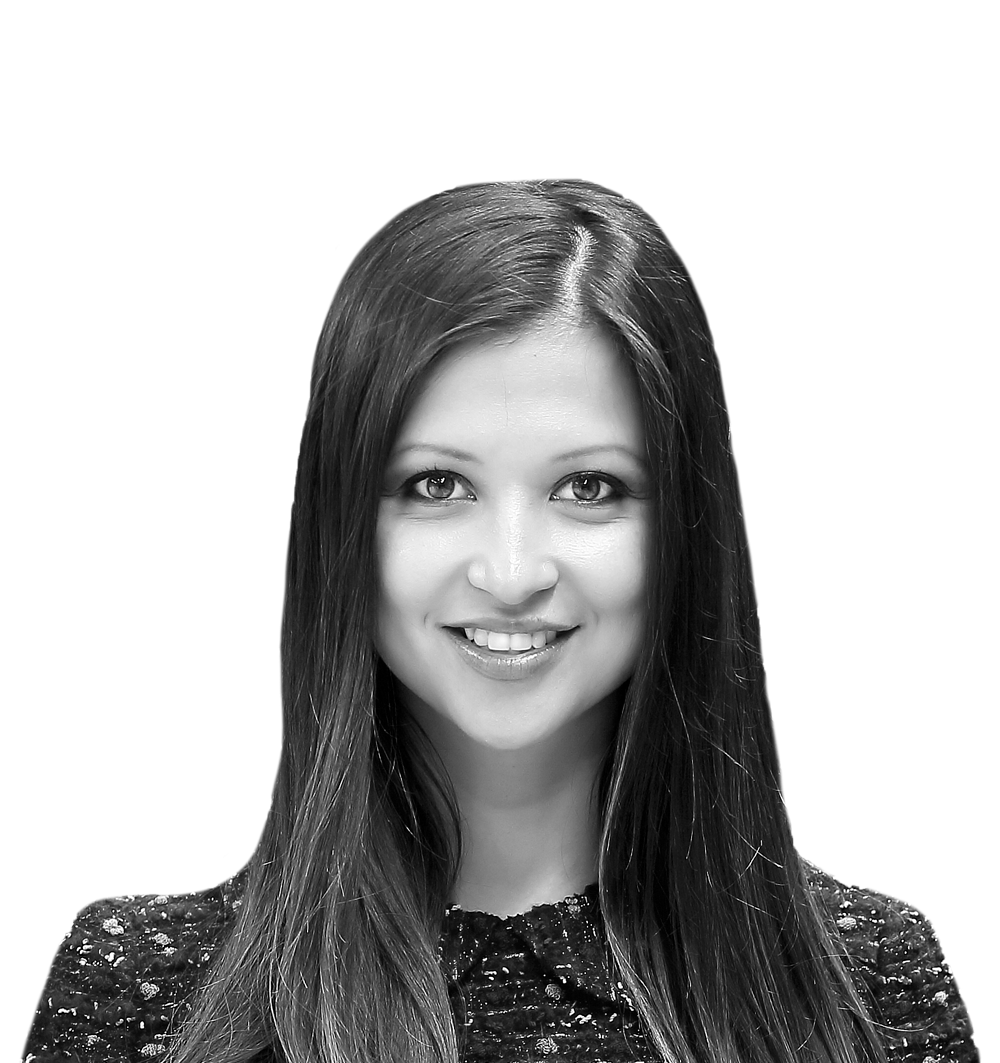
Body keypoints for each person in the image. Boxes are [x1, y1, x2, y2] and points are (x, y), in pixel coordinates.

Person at [25, 179, 980, 1063]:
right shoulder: (144, 996)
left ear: (688, 528)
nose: (512, 573)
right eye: (437, 485)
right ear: (340, 519)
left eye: (589, 486)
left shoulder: (865, 989)